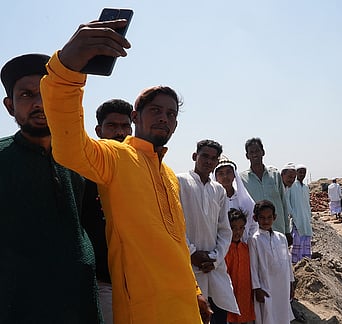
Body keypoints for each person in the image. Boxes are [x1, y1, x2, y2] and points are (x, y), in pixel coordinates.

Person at [40, 19, 210, 323]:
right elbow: (69, 146)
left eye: (170, 113)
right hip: (144, 309)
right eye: (155, 110)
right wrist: (67, 71)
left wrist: (196, 289)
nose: (164, 118)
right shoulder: (116, 155)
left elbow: (178, 241)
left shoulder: (169, 175)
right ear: (136, 116)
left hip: (185, 304)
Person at [0, 54, 102, 322]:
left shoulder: (80, 158)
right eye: (26, 95)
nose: (38, 103)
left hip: (81, 303)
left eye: (45, 93)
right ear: (10, 106)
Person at [81, 98, 133, 324]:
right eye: (112, 126)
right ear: (98, 130)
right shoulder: (84, 171)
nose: (120, 132)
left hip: (138, 280)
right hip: (102, 281)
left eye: (125, 126)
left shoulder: (140, 172)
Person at [177, 140, 239, 323]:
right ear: (195, 156)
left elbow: (225, 230)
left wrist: (216, 257)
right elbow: (174, 223)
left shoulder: (218, 190)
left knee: (218, 313)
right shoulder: (179, 181)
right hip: (188, 266)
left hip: (214, 267)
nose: (208, 162)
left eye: (213, 158)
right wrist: (192, 253)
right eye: (205, 156)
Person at [248, 200, 295, 324]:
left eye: (269, 217)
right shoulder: (254, 240)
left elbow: (287, 262)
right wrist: (256, 288)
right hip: (266, 286)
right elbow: (253, 266)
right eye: (262, 218)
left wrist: (291, 282)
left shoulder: (281, 238)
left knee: (282, 315)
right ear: (255, 218)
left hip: (283, 285)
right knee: (268, 316)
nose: (266, 221)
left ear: (274, 217)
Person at [240, 138, 290, 243]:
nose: (255, 154)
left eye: (257, 151)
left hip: (278, 230)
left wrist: (287, 230)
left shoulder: (275, 175)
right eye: (251, 152)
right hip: (255, 234)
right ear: (247, 156)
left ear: (263, 152)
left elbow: (283, 203)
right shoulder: (242, 179)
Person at [214, 155, 258, 242]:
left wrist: (247, 242)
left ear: (234, 175)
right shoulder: (213, 201)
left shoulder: (245, 200)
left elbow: (253, 225)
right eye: (221, 173)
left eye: (228, 172)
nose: (225, 176)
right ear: (216, 177)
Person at [224, 208, 256, 324]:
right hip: (229, 294)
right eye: (233, 228)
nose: (238, 232)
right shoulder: (223, 249)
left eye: (241, 228)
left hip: (244, 294)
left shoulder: (246, 248)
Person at [288, 164, 313, 263]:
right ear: (296, 173)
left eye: (304, 172)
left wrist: (309, 216)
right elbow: (287, 201)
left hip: (306, 219)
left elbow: (307, 203)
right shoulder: (292, 185)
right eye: (300, 172)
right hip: (296, 219)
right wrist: (293, 214)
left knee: (306, 242)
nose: (302, 174)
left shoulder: (306, 187)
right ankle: (295, 264)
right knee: (296, 243)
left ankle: (305, 263)